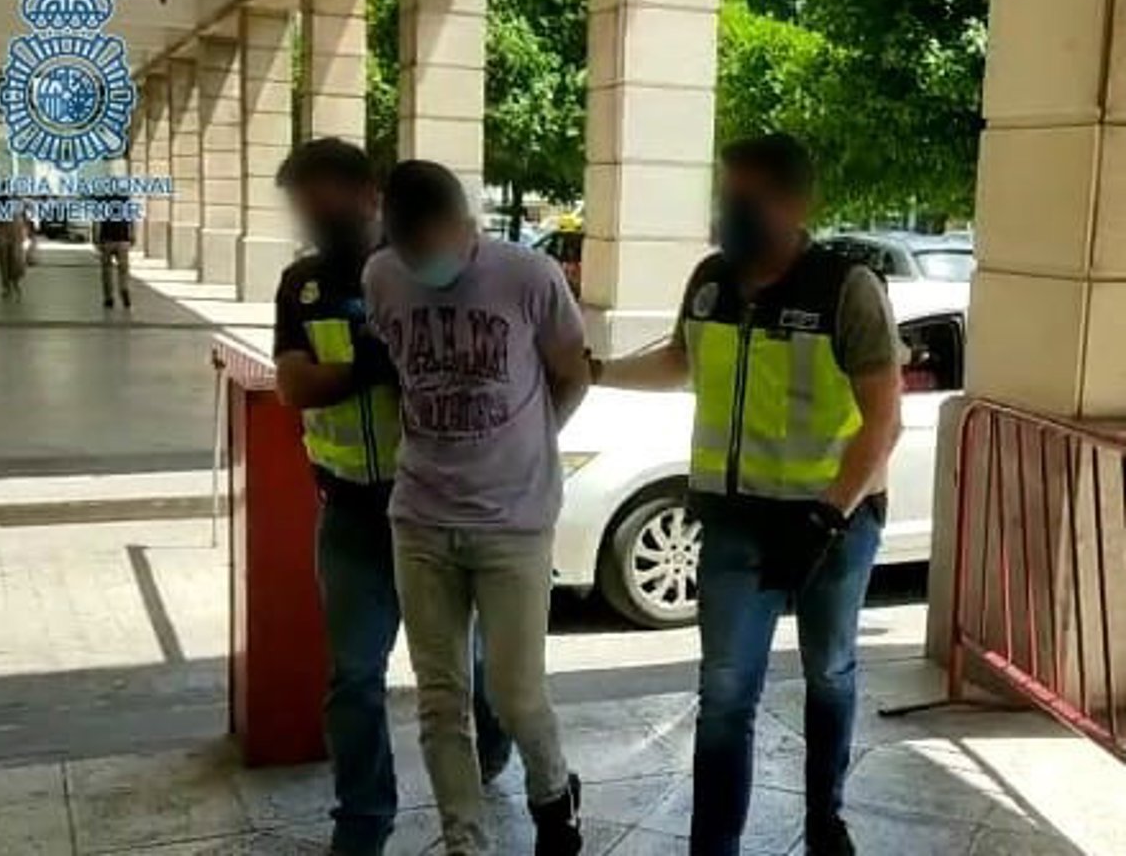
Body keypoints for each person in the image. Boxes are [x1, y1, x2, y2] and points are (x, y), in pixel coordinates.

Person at [590, 134, 903, 856]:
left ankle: (825, 818)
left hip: (833, 521)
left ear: (793, 206)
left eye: (744, 200)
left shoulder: (845, 288)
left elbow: (883, 420)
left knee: (830, 672)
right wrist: (595, 369)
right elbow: (680, 361)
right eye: (724, 196)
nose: (727, 211)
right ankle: (714, 845)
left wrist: (827, 516)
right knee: (725, 692)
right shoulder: (711, 280)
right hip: (734, 522)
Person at [271, 139, 510, 856]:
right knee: (354, 677)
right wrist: (366, 366)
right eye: (307, 209)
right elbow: (293, 386)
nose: (317, 221)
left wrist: (355, 369)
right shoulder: (302, 285)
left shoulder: (425, 272)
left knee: (467, 669)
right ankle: (363, 819)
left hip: (433, 508)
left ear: (370, 197)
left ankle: (492, 748)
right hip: (349, 512)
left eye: (328, 206)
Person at [363, 160, 589, 856]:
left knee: (515, 694)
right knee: (439, 700)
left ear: (469, 227)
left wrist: (531, 442)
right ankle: (466, 840)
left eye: (439, 248)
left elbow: (573, 371)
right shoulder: (381, 278)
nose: (429, 265)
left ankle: (554, 794)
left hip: (513, 521)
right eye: (414, 252)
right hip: (421, 516)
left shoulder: (529, 276)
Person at [95, 193, 134, 309]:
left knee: (106, 271)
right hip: (123, 239)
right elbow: (131, 220)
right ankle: (124, 288)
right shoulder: (125, 199)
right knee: (123, 269)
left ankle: (109, 298)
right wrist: (132, 235)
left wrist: (96, 239)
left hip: (107, 239)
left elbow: (97, 222)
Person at [0, 200, 30, 300]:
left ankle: (15, 284)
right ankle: (6, 287)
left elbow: (26, 221)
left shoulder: (21, 204)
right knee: (4, 263)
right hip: (4, 236)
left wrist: (25, 235)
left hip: (16, 236)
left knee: (16, 262)